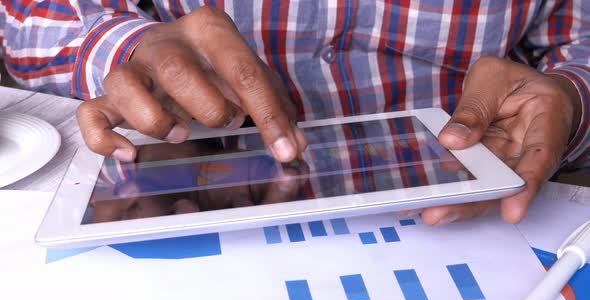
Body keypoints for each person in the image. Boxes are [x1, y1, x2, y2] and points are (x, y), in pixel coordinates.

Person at [1, 1, 589, 225]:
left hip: (483, 200)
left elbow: (578, 42)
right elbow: (26, 14)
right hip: (196, 193)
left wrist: (572, 97)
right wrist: (127, 48)